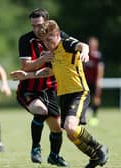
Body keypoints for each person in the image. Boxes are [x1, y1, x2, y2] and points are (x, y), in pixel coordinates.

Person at [10, 20, 108, 168]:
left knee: (70, 126)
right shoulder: (51, 53)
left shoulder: (66, 44)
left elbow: (83, 45)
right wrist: (27, 75)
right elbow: (48, 71)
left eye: (49, 40)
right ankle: (94, 157)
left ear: (57, 35)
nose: (47, 44)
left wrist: (85, 52)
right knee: (70, 133)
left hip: (79, 92)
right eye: (44, 42)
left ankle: (100, 148)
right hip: (64, 95)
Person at [14, 8, 69, 167]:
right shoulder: (26, 40)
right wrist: (42, 59)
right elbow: (25, 67)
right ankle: (35, 148)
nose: (36, 29)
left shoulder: (58, 36)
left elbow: (76, 45)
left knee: (57, 129)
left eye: (39, 25)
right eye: (33, 26)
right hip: (28, 89)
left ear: (47, 22)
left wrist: (83, 48)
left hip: (50, 89)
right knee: (41, 111)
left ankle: (54, 156)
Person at [84, 37, 105, 126]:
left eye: (93, 44)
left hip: (94, 81)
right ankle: (82, 116)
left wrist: (98, 82)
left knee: (96, 98)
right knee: (84, 98)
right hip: (85, 81)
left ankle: (94, 116)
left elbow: (100, 69)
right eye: (91, 44)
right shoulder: (85, 54)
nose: (92, 45)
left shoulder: (98, 56)